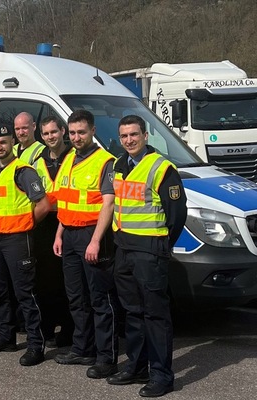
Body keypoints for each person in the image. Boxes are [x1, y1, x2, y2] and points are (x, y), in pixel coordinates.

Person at [106, 115, 186, 398]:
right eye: (124, 136)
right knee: (133, 312)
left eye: (134, 135)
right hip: (124, 249)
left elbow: (177, 216)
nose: (129, 140)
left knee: (155, 315)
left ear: (145, 135)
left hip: (150, 251)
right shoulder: (119, 164)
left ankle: (162, 375)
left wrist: (161, 246)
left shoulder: (162, 168)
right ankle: (137, 366)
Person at [53, 109, 119, 379]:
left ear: (93, 131)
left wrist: (95, 241)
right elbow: (65, 201)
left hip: (93, 236)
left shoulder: (106, 161)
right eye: (73, 132)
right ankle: (82, 348)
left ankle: (106, 358)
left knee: (100, 300)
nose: (77, 137)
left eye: (82, 132)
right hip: (68, 234)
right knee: (76, 297)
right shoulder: (69, 157)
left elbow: (109, 203)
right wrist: (58, 233)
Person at [0, 125, 51, 366]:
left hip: (18, 239)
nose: (0, 147)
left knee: (25, 294)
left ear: (12, 143)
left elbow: (43, 205)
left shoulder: (23, 171)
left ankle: (35, 345)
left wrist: (26, 224)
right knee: (0, 292)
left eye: (4, 142)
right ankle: (5, 336)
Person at [32, 116, 74, 348]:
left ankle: (68, 330)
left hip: (68, 222)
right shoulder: (39, 162)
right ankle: (46, 327)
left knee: (68, 282)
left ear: (62, 131)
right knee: (45, 281)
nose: (50, 137)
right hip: (45, 224)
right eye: (46, 134)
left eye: (54, 132)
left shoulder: (74, 157)